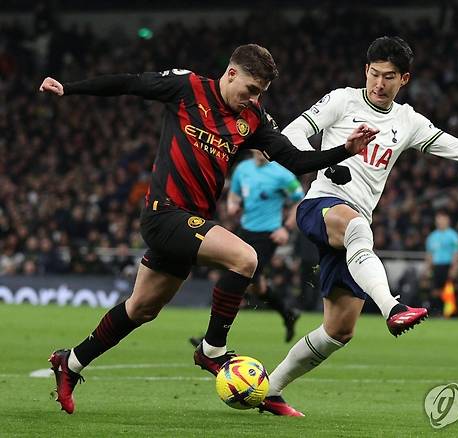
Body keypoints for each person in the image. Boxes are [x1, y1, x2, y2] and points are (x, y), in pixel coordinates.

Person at [38, 43, 379, 414]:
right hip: (164, 213)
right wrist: (69, 88)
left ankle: (69, 362)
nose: (253, 98)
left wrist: (346, 149)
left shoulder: (253, 118)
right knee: (245, 259)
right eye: (250, 89)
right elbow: (130, 83)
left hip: (190, 222)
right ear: (231, 73)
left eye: (260, 93)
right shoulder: (186, 87)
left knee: (141, 309)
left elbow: (295, 160)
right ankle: (212, 349)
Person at [259, 36, 458, 416]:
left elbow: (457, 148)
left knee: (338, 331)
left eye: (388, 77)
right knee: (359, 228)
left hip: (352, 227)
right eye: (374, 74)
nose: (379, 83)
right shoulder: (342, 100)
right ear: (365, 71)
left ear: (404, 79)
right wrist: (325, 161)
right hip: (321, 205)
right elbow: (291, 133)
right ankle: (393, 308)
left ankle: (270, 391)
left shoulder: (408, 121)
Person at [189, 149, 304, 345]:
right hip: (245, 231)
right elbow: (234, 194)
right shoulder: (242, 169)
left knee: (233, 280)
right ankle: (287, 312)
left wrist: (286, 228)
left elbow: (300, 200)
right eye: (258, 146)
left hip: (268, 235)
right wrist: (233, 204)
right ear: (252, 148)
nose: (262, 151)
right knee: (257, 286)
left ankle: (211, 338)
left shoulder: (282, 173)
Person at [424, 210, 458, 315]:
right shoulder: (432, 237)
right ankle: (437, 311)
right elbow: (429, 254)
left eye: (442, 219)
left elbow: (456, 253)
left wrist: (454, 268)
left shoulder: (453, 236)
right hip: (436, 266)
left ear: (447, 221)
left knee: (448, 290)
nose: (440, 222)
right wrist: (428, 268)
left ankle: (449, 313)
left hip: (447, 266)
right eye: (438, 220)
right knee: (435, 291)